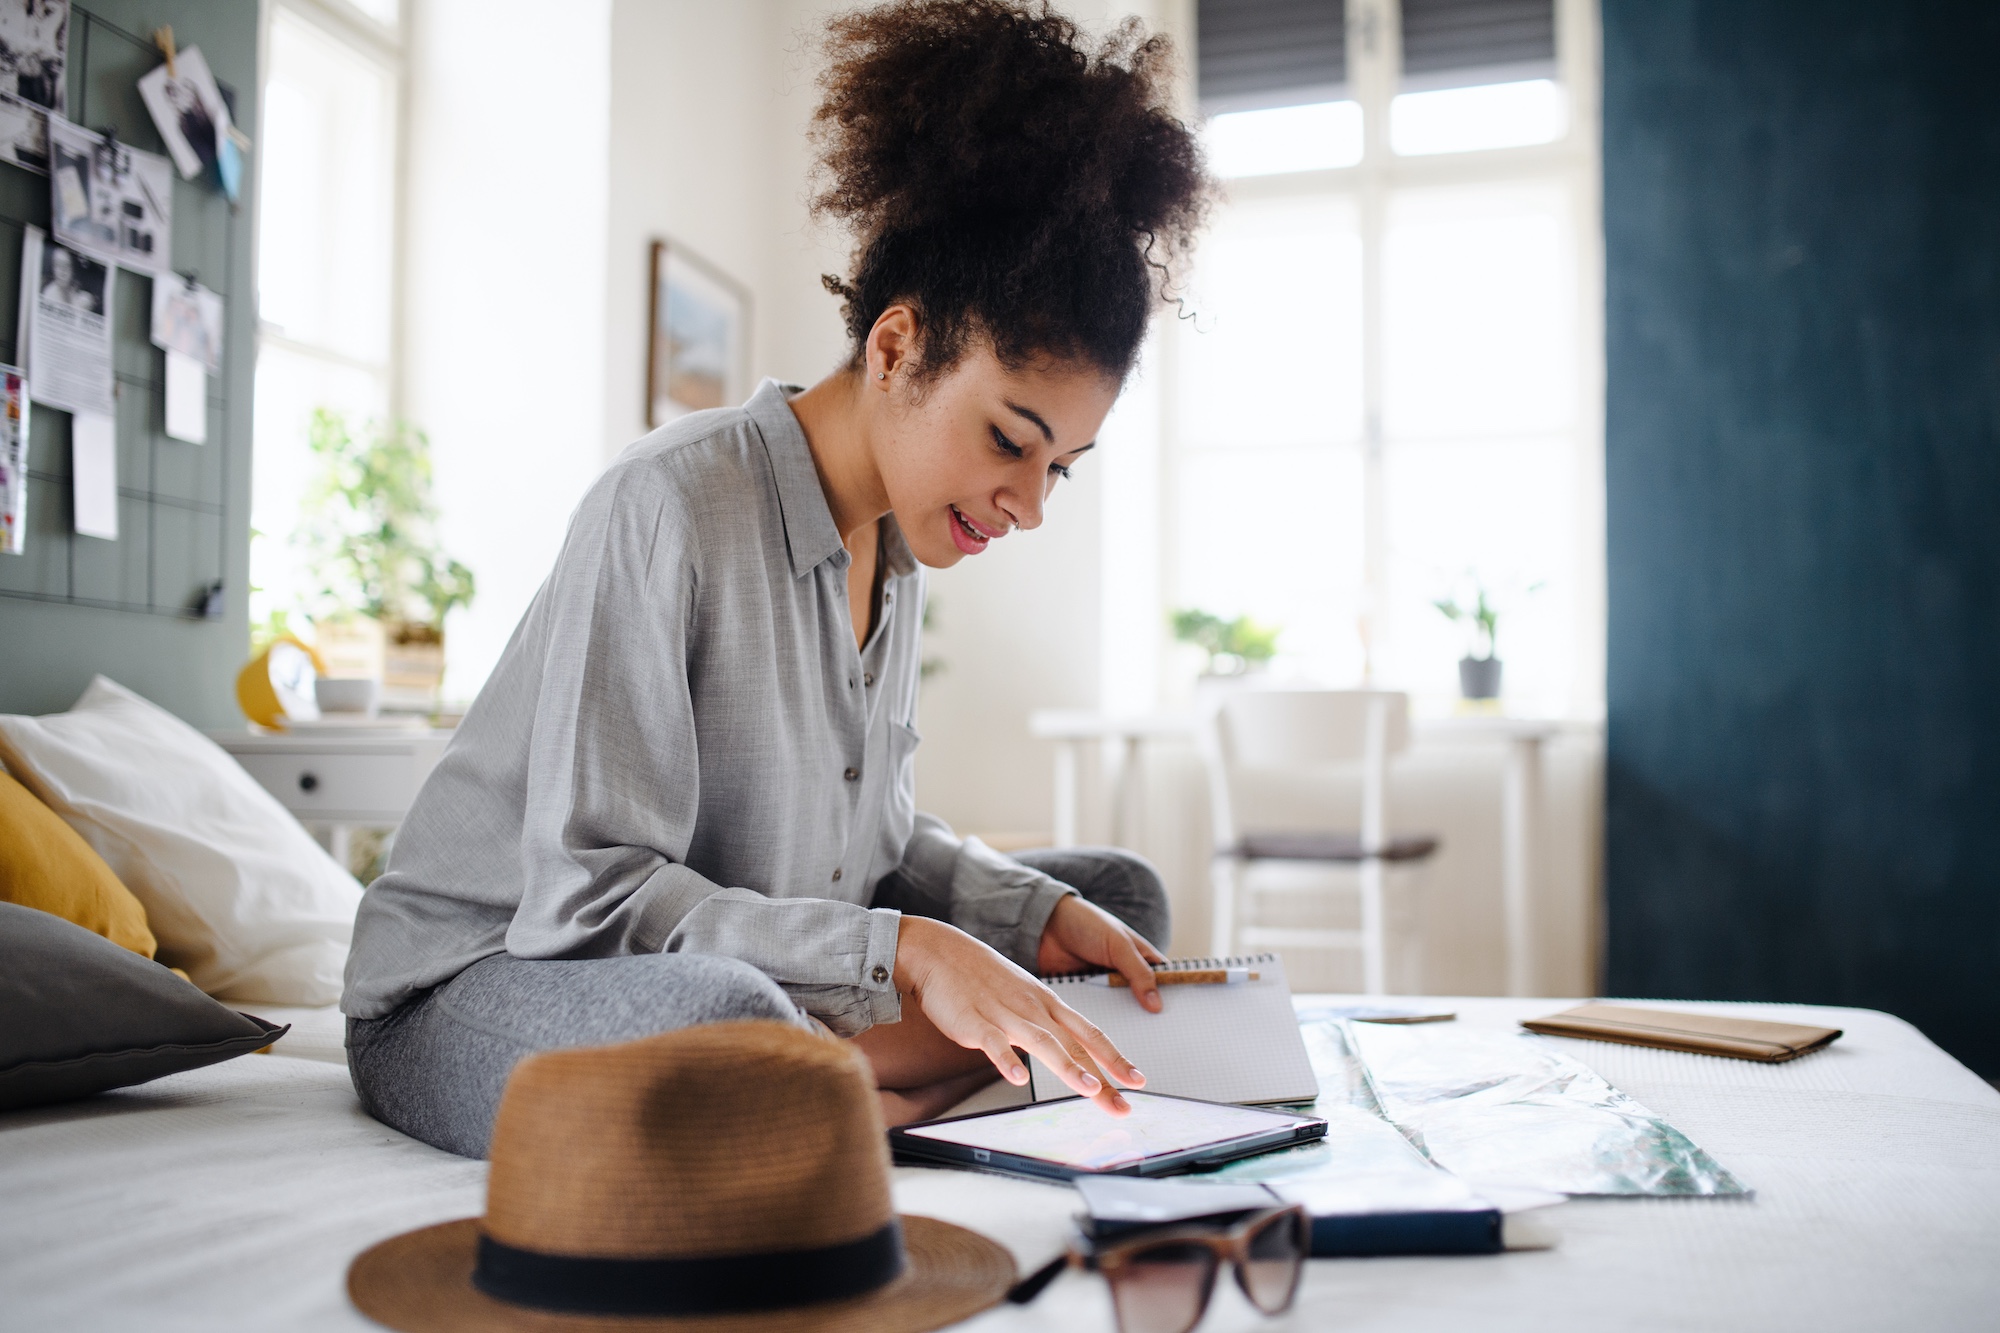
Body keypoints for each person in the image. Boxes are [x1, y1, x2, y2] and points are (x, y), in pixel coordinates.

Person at [341, 0, 1212, 1159]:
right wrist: (898, 952)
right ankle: (832, 1081)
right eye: (1009, 440)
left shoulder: (900, 546)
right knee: (734, 1022)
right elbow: (591, 905)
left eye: (1061, 464)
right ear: (895, 349)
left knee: (1116, 903)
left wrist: (1026, 914)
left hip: (711, 958)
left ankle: (840, 1084)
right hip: (486, 985)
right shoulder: (666, 503)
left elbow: (876, 838)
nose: (1031, 503)